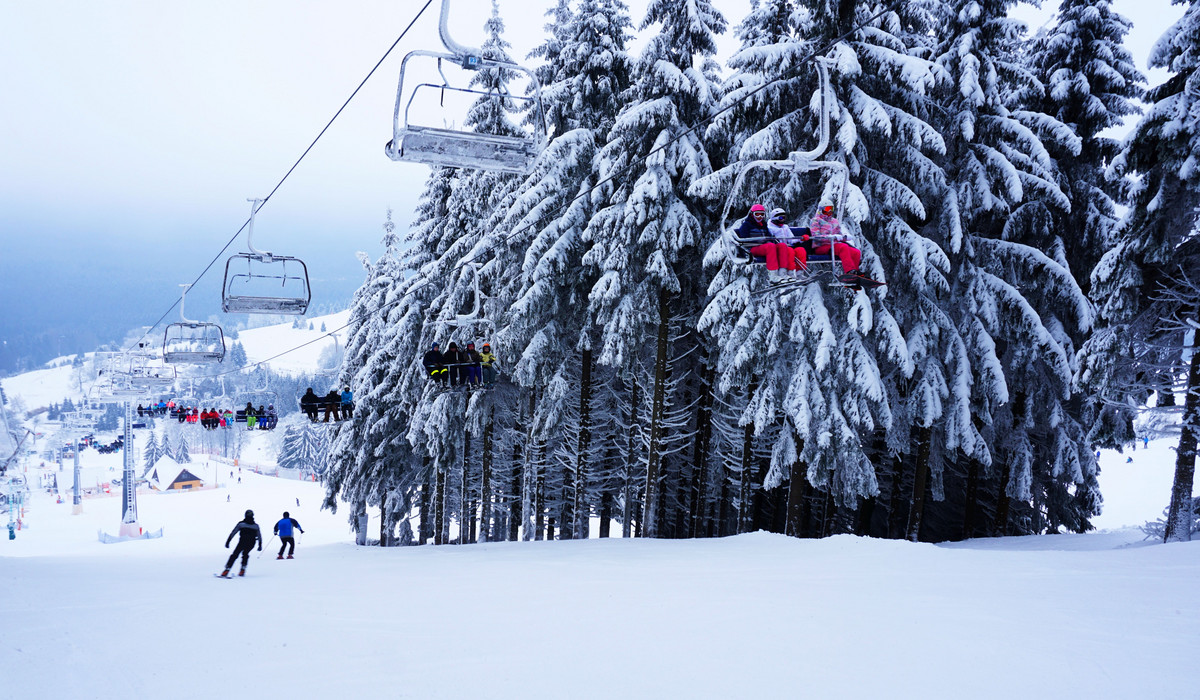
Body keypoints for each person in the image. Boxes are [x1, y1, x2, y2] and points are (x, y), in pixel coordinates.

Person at [734, 203, 798, 276]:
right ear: (752, 214)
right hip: (752, 248)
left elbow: (769, 236)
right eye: (757, 214)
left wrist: (768, 239)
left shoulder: (763, 225)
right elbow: (744, 238)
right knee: (770, 246)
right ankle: (773, 275)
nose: (760, 217)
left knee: (782, 246)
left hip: (764, 247)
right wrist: (758, 240)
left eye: (762, 214)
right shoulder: (746, 225)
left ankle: (783, 273)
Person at [805, 205, 862, 282]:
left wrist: (843, 237)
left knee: (856, 252)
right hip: (821, 247)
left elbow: (838, 233)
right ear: (821, 210)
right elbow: (816, 236)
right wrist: (831, 237)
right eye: (826, 209)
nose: (829, 212)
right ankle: (849, 272)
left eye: (831, 209)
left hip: (834, 246)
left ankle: (855, 273)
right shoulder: (816, 221)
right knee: (843, 247)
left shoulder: (834, 221)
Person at [219, 509, 262, 578]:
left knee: (235, 555)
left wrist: (228, 541)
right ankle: (243, 569)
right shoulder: (256, 526)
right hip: (252, 543)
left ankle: (226, 570)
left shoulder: (241, 524)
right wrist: (260, 545)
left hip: (242, 541)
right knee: (245, 554)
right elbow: (259, 535)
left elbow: (234, 532)